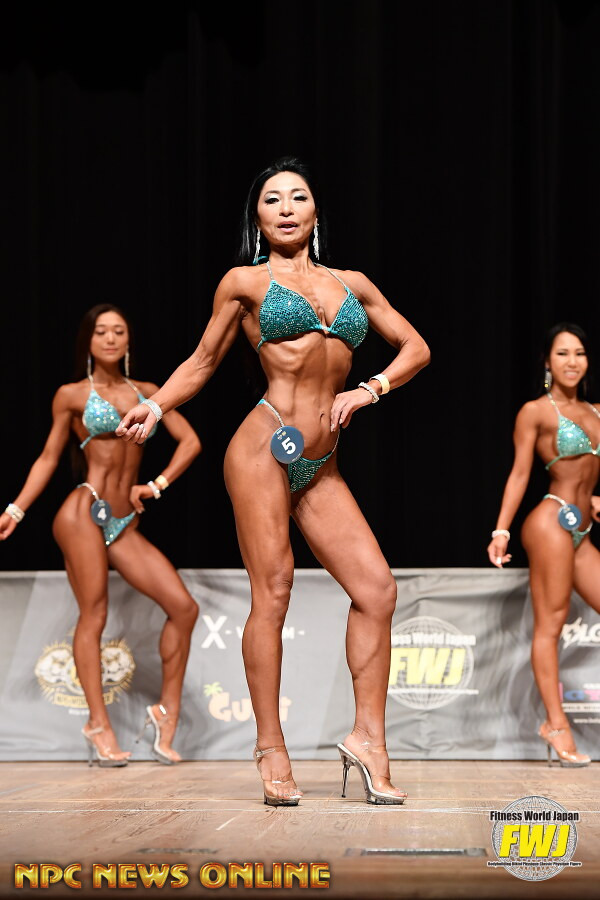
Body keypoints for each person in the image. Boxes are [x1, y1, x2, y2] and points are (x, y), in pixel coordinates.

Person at [116, 157, 430, 805]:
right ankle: (270, 745)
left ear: (316, 211)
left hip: (322, 463)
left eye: (298, 197)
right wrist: (156, 405)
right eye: (271, 200)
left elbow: (417, 348)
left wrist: (370, 388)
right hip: (263, 447)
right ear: (257, 218)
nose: (286, 208)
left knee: (377, 590)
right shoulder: (244, 282)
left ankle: (369, 740)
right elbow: (203, 360)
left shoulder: (352, 283)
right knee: (275, 589)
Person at [0, 304, 201, 766]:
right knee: (94, 614)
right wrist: (15, 509)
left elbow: (191, 442)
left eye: (119, 331)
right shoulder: (71, 395)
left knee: (183, 608)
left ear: (129, 340)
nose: (110, 338)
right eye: (101, 332)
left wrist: (155, 485)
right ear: (88, 342)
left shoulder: (148, 392)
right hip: (83, 510)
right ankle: (98, 723)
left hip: (123, 521)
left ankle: (165, 713)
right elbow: (49, 458)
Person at [488, 322, 600, 767]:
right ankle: (556, 724)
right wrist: (501, 530)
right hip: (551, 521)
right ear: (548, 362)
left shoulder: (595, 411)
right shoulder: (536, 411)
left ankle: (556, 725)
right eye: (563, 353)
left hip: (581, 530)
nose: (572, 361)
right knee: (550, 625)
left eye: (579, 353)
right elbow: (519, 474)